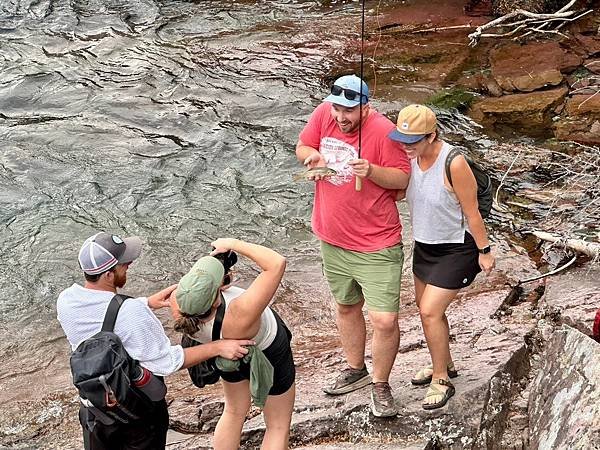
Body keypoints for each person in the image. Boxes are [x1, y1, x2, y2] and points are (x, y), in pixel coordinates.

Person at [57, 232, 253, 450]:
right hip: (136, 414)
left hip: (95, 408)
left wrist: (147, 302)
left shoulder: (66, 301)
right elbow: (168, 362)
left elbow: (101, 316)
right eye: (123, 264)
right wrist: (218, 347)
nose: (129, 265)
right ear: (108, 276)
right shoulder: (131, 311)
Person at [295, 74, 411, 417]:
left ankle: (381, 385)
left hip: (376, 242)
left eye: (349, 111)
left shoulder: (383, 131)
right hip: (332, 236)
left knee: (385, 320)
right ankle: (355, 368)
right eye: (337, 109)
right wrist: (312, 159)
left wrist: (372, 170)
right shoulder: (324, 114)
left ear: (365, 107)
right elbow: (303, 146)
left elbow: (403, 179)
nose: (341, 117)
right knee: (346, 306)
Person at [388, 104, 495, 410]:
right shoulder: (409, 159)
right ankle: (444, 363)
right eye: (402, 140)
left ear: (432, 135)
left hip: (456, 247)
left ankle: (440, 380)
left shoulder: (454, 162)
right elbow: (402, 192)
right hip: (424, 246)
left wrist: (484, 251)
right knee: (427, 309)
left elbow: (472, 211)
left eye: (413, 141)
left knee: (430, 311)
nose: (406, 147)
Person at [170, 238, 294, 450]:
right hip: (269, 352)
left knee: (234, 412)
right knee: (277, 425)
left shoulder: (180, 307)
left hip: (227, 354)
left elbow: (194, 293)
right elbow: (276, 263)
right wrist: (232, 243)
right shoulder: (240, 311)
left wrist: (215, 274)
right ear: (216, 297)